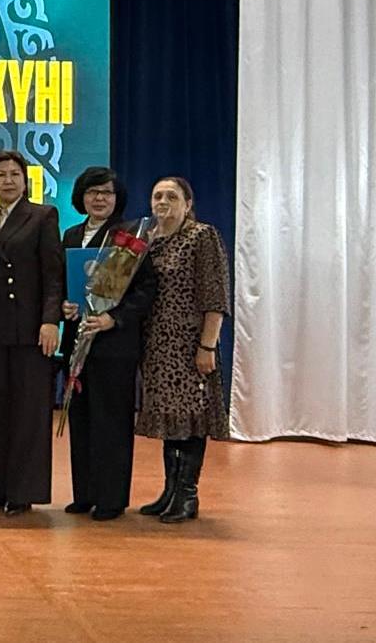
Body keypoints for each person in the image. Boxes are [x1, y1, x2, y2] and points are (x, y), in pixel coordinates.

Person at [59, 166, 157, 521]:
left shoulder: (129, 237)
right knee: (81, 417)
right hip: (78, 338)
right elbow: (64, 283)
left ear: (117, 198)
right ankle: (84, 493)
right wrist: (66, 306)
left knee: (111, 420)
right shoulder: (71, 234)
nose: (99, 198)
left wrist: (113, 318)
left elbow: (146, 290)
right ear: (81, 197)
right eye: (92, 192)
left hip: (114, 342)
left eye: (107, 193)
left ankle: (111, 498)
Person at [0, 149, 64, 515]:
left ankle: (24, 490)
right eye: (0, 175)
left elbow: (53, 275)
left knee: (30, 412)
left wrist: (50, 320)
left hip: (32, 330)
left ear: (25, 181)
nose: (8, 180)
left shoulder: (42, 216)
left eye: (14, 174)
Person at [136, 176, 230, 523]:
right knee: (171, 421)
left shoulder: (202, 237)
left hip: (190, 346)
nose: (163, 202)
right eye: (157, 196)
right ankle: (170, 491)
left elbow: (215, 297)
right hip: (158, 347)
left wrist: (207, 345)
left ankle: (188, 495)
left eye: (172, 197)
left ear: (188, 204)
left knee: (191, 419)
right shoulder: (149, 240)